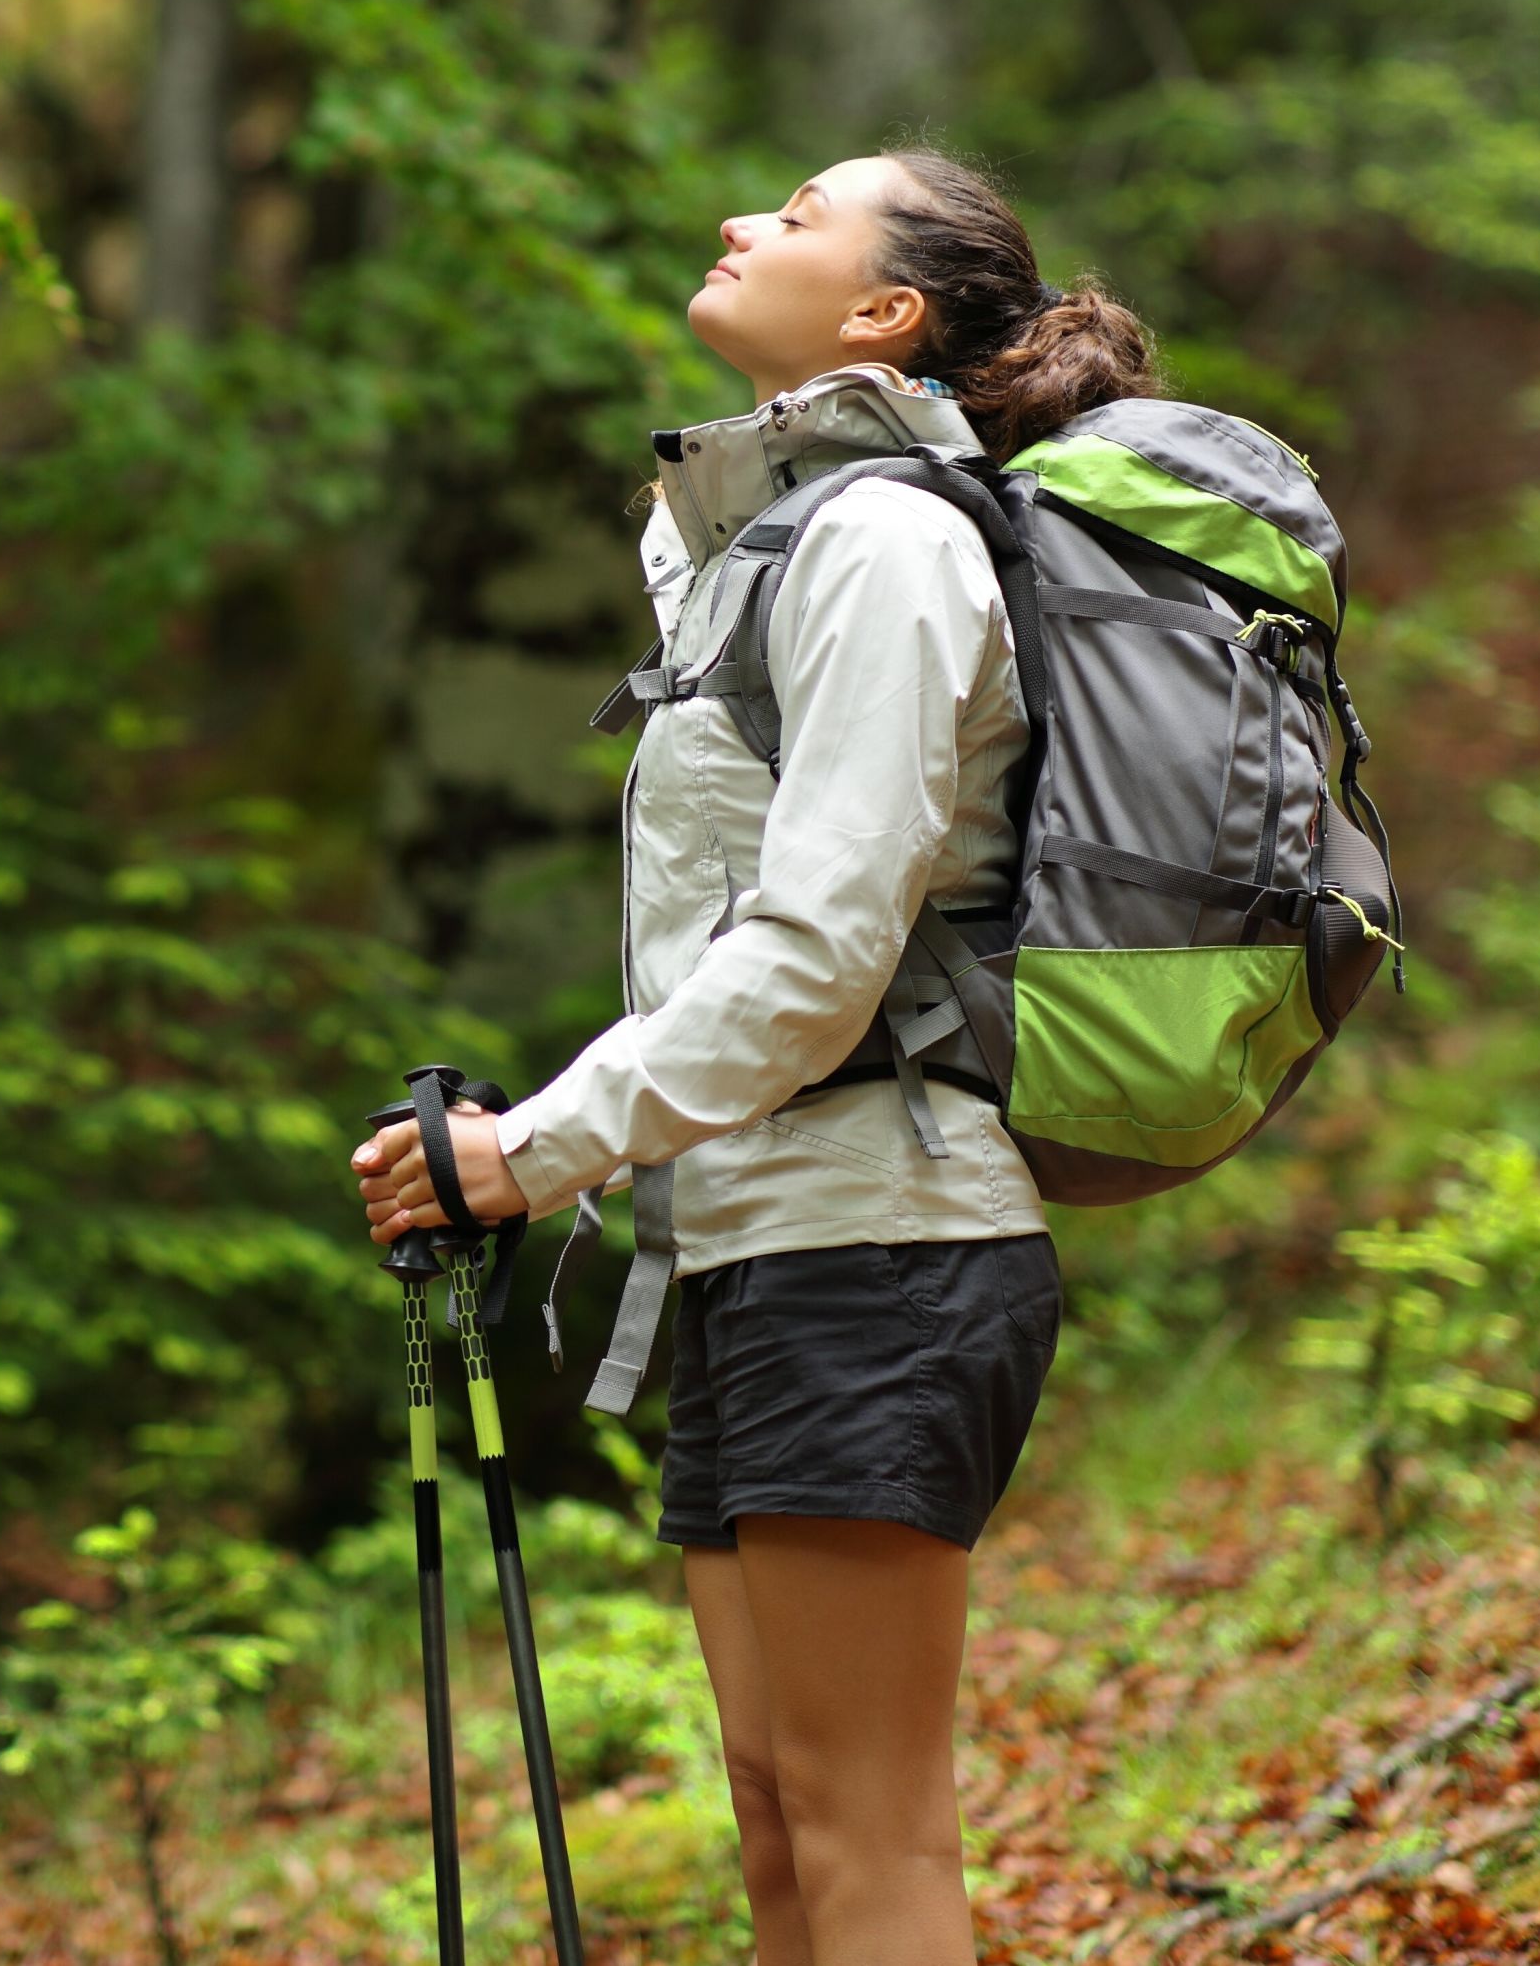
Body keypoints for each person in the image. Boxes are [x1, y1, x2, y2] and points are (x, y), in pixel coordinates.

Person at [351, 149, 1159, 1966]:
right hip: (755, 1247)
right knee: (784, 1820)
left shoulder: (887, 541)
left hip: (886, 1240)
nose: (737, 224)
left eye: (797, 217)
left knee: (873, 1838)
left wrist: (537, 1153)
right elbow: (749, 957)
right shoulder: (761, 550)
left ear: (889, 315)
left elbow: (818, 958)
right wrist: (514, 1134)